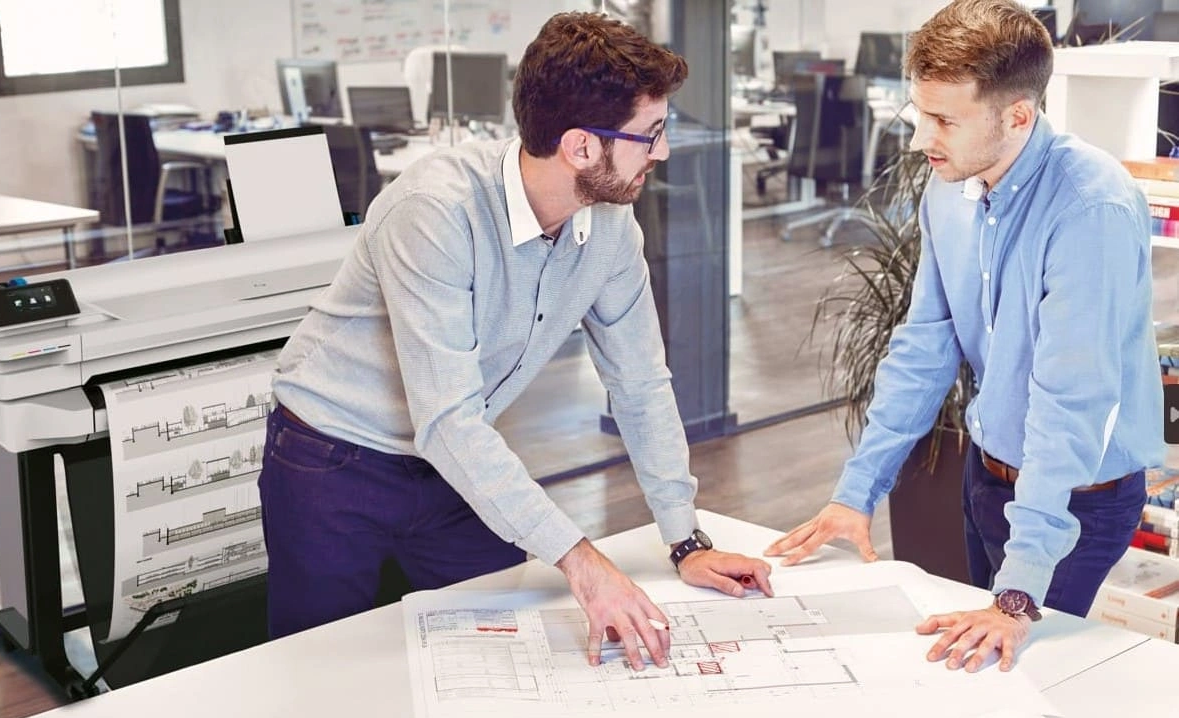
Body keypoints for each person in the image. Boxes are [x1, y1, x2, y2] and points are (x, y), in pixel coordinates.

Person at [258, 12, 774, 671]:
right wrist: (584, 562)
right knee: (324, 672)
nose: (664, 151)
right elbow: (448, 421)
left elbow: (641, 382)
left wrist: (686, 541)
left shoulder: (610, 229)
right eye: (651, 134)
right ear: (581, 147)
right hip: (332, 460)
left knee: (512, 648)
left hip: (450, 464)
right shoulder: (436, 212)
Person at [766, 0, 1162, 673]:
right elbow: (923, 346)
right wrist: (855, 493)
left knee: (1026, 671)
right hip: (987, 474)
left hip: (1077, 499)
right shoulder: (950, 186)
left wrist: (1018, 592)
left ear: (1017, 116)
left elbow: (1071, 402)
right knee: (979, 671)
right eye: (923, 114)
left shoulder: (1090, 206)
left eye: (945, 119)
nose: (924, 139)